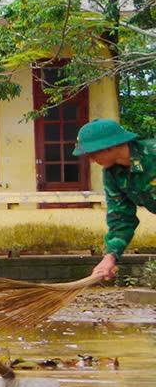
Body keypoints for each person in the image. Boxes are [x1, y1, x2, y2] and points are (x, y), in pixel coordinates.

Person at [76, 118, 154, 280]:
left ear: (109, 146)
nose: (90, 159)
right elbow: (121, 218)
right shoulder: (112, 174)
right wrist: (109, 258)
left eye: (92, 152)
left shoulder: (153, 155)